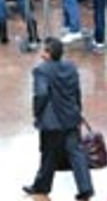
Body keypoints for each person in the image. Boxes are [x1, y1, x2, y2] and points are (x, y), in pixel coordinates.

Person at [23, 38, 94, 201]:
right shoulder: (70, 68)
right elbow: (77, 92)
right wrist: (77, 111)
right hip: (70, 117)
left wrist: (37, 113)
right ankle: (85, 188)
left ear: (48, 53)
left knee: (48, 154)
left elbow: (41, 94)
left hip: (51, 121)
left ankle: (41, 186)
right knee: (76, 153)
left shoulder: (41, 71)